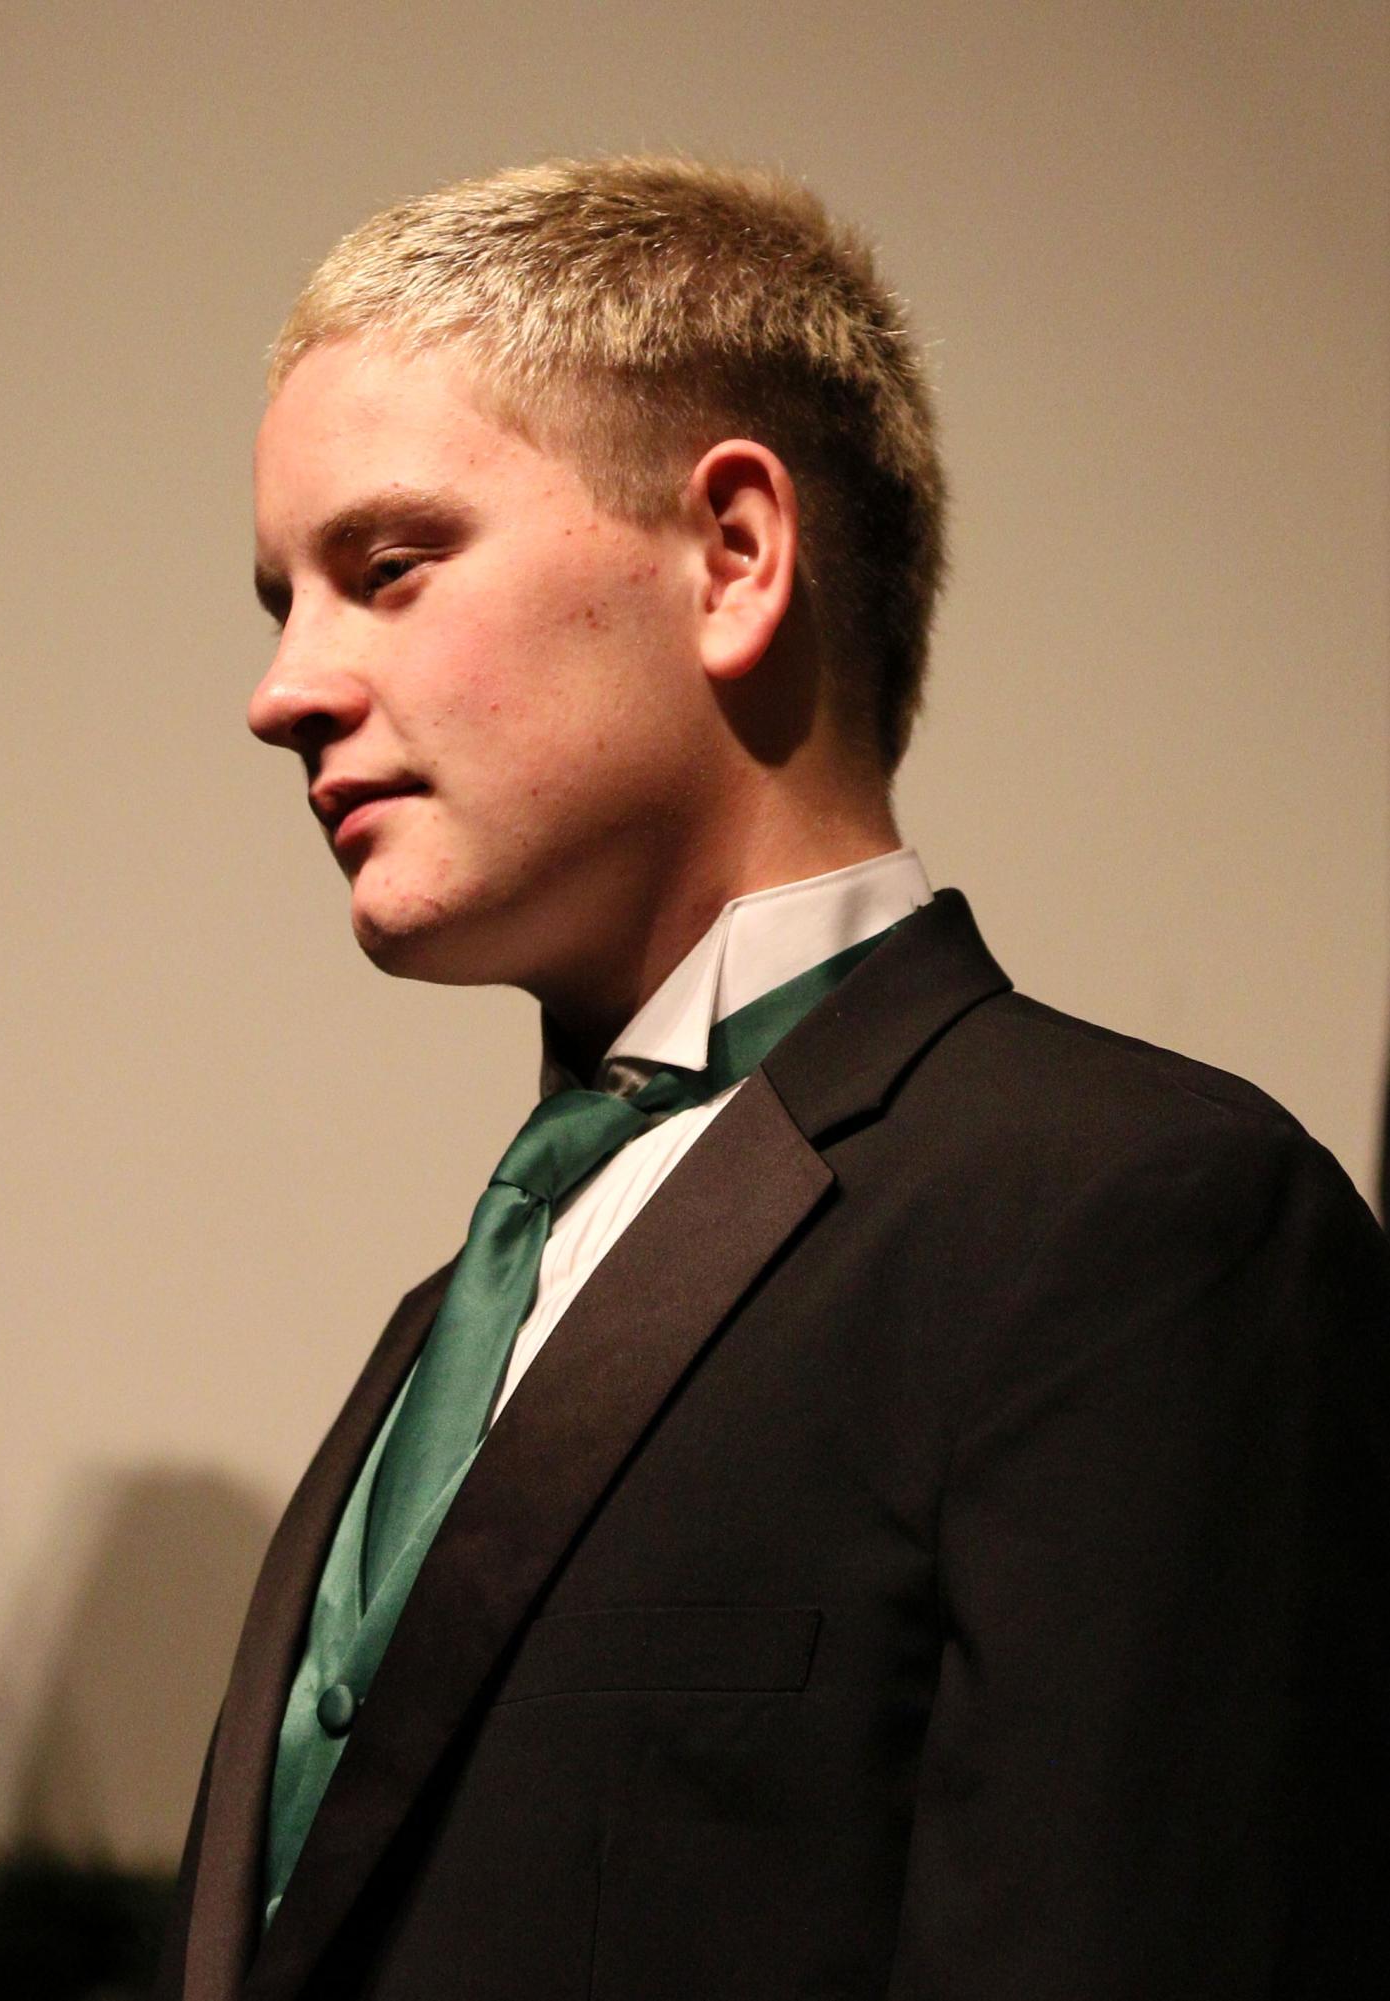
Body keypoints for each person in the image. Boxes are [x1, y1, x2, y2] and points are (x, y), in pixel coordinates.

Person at [156, 157, 1390, 2001]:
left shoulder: (1131, 1224)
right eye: (280, 598)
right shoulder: (458, 1317)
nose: (284, 686)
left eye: (386, 567)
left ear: (733, 553)